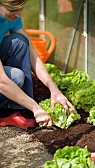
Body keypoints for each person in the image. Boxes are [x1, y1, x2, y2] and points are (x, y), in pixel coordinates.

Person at [0, 0, 75, 129]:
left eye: (20, 9)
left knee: (20, 42)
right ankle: (4, 113)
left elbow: (33, 56)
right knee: (16, 77)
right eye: (12, 11)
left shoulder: (12, 18)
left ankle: (15, 109)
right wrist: (36, 108)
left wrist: (54, 89)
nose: (18, 15)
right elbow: (2, 82)